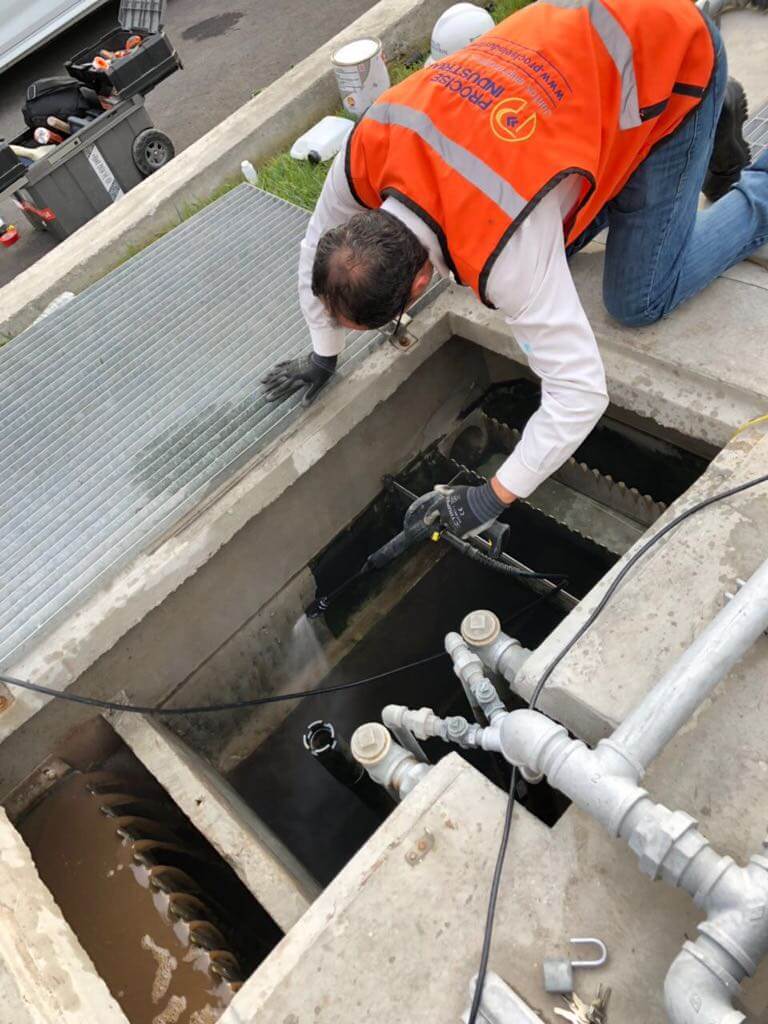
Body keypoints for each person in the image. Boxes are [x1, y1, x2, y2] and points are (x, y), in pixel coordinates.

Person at [264, 0, 768, 539]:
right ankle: (687, 150)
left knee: (639, 298)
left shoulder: (506, 253)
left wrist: (491, 496)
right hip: (583, 42)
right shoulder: (368, 144)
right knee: (565, 231)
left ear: (417, 285)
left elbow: (580, 394)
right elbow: (314, 244)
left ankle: (740, 162)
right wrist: (323, 353)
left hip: (669, 57)